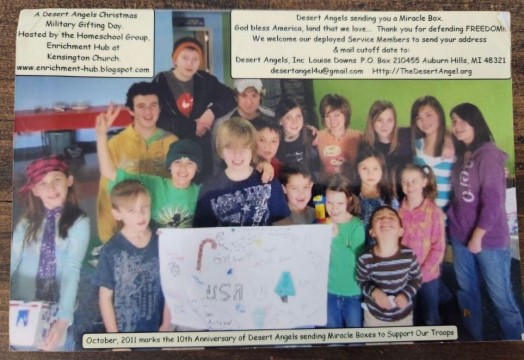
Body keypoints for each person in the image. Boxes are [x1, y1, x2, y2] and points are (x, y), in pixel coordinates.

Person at [447, 103, 523, 340]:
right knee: (467, 292)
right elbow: (460, 198)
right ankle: (475, 340)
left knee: (500, 297)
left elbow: (493, 202)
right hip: (460, 237)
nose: (457, 126)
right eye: (454, 121)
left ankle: (515, 342)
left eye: (461, 120)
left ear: (475, 122)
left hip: (488, 240)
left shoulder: (488, 154)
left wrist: (477, 236)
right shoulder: (463, 156)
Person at [11, 155, 90, 350]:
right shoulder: (25, 223)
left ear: (69, 180)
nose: (51, 188)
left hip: (58, 308)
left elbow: (72, 269)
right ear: (35, 190)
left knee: (56, 346)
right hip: (24, 305)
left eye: (57, 179)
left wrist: (63, 320)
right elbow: (11, 261)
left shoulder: (79, 222)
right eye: (43, 183)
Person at [96, 82, 178, 243]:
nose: (148, 112)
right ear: (131, 110)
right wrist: (108, 237)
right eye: (141, 106)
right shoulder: (117, 144)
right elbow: (106, 192)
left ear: (160, 108)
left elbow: (177, 188)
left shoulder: (172, 142)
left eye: (153, 105)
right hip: (127, 232)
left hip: (162, 229)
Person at [95, 104, 201, 228]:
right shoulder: (153, 184)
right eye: (177, 162)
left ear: (197, 168)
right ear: (169, 166)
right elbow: (108, 172)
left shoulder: (201, 192)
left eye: (190, 163)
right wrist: (101, 136)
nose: (183, 168)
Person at [152, 36, 236, 182]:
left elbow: (230, 97)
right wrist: (191, 127)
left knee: (202, 191)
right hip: (171, 148)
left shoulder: (204, 80)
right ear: (175, 59)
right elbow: (155, 118)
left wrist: (211, 112)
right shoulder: (161, 82)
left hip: (200, 149)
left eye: (195, 59)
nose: (190, 63)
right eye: (184, 58)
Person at [93, 180, 167, 333]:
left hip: (159, 328)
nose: (140, 215)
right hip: (126, 333)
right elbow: (105, 299)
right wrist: (116, 340)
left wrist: (166, 325)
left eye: (144, 207)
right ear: (117, 214)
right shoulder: (111, 250)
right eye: (131, 210)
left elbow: (171, 286)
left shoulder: (162, 239)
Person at [193, 117, 290, 227]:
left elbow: (283, 225)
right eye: (230, 148)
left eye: (243, 148)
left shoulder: (269, 182)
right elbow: (202, 234)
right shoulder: (208, 190)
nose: (237, 155)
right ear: (221, 149)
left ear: (252, 149)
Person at [357, 206, 422, 327]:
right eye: (379, 217)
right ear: (372, 232)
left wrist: (406, 294)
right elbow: (361, 281)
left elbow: (416, 278)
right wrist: (374, 292)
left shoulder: (409, 255)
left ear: (401, 231)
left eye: (391, 217)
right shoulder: (365, 258)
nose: (385, 220)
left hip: (403, 316)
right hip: (374, 317)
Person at [398, 164, 446, 325]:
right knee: (407, 316)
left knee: (429, 316)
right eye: (405, 182)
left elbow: (438, 248)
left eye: (414, 181)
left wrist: (421, 274)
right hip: (404, 276)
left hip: (428, 277)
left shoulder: (434, 212)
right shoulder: (397, 212)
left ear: (424, 182)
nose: (409, 185)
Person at [324, 174, 365, 328]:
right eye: (329, 203)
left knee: (355, 339)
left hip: (352, 292)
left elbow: (355, 262)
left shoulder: (356, 226)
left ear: (348, 200)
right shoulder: (322, 223)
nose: (334, 209)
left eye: (339, 203)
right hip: (329, 291)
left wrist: (336, 238)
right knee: (333, 339)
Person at [212, 79, 274, 173]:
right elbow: (217, 159)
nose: (249, 101)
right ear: (236, 97)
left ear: (260, 97)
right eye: (244, 95)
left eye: (254, 95)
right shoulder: (222, 123)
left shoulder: (271, 119)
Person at [410, 96, 455, 211]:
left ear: (439, 115)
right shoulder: (415, 147)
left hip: (449, 221)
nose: (424, 122)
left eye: (429, 115)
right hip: (422, 221)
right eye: (419, 118)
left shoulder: (456, 146)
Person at [362, 100, 411, 195]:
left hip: (406, 196)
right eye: (379, 120)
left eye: (389, 120)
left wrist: (447, 142)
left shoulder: (406, 136)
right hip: (379, 197)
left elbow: (435, 131)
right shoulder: (366, 146)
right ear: (372, 122)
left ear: (395, 121)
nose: (385, 125)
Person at [317, 94, 363, 182]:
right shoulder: (318, 136)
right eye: (327, 116)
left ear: (345, 115)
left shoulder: (358, 137)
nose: (332, 120)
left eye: (337, 115)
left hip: (350, 186)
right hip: (325, 186)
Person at [354, 145, 393, 246]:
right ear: (357, 170)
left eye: (375, 168)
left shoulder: (389, 198)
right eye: (364, 168)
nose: (370, 173)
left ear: (382, 171)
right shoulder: (351, 197)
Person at [275, 98, 320, 181]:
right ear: (280, 121)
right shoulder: (275, 142)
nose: (295, 122)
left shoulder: (311, 135)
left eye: (298, 116)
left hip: (311, 187)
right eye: (289, 117)